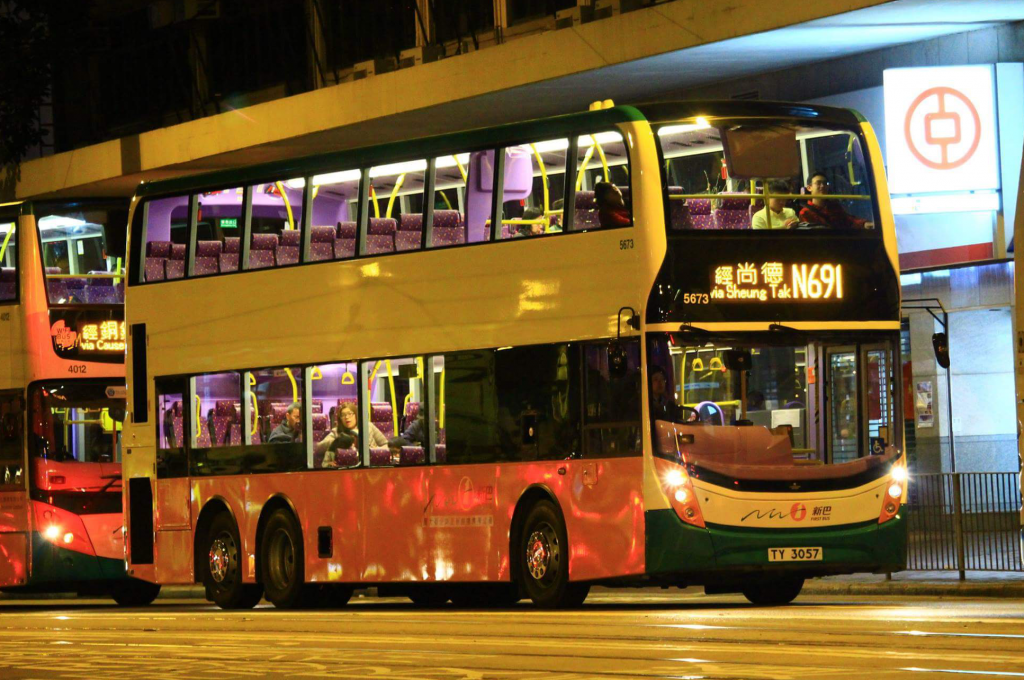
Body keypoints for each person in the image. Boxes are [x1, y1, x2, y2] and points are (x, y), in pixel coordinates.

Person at [798, 171, 872, 229]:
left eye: (825, 183)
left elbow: (849, 221)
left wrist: (864, 224)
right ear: (809, 188)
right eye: (818, 183)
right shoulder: (805, 213)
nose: (822, 186)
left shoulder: (834, 207)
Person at [315, 401, 388, 455]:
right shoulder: (336, 431)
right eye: (343, 415)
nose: (347, 417)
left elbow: (386, 445)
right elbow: (319, 448)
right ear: (340, 419)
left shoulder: (368, 426)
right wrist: (338, 441)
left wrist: (375, 450)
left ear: (356, 415)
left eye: (350, 414)